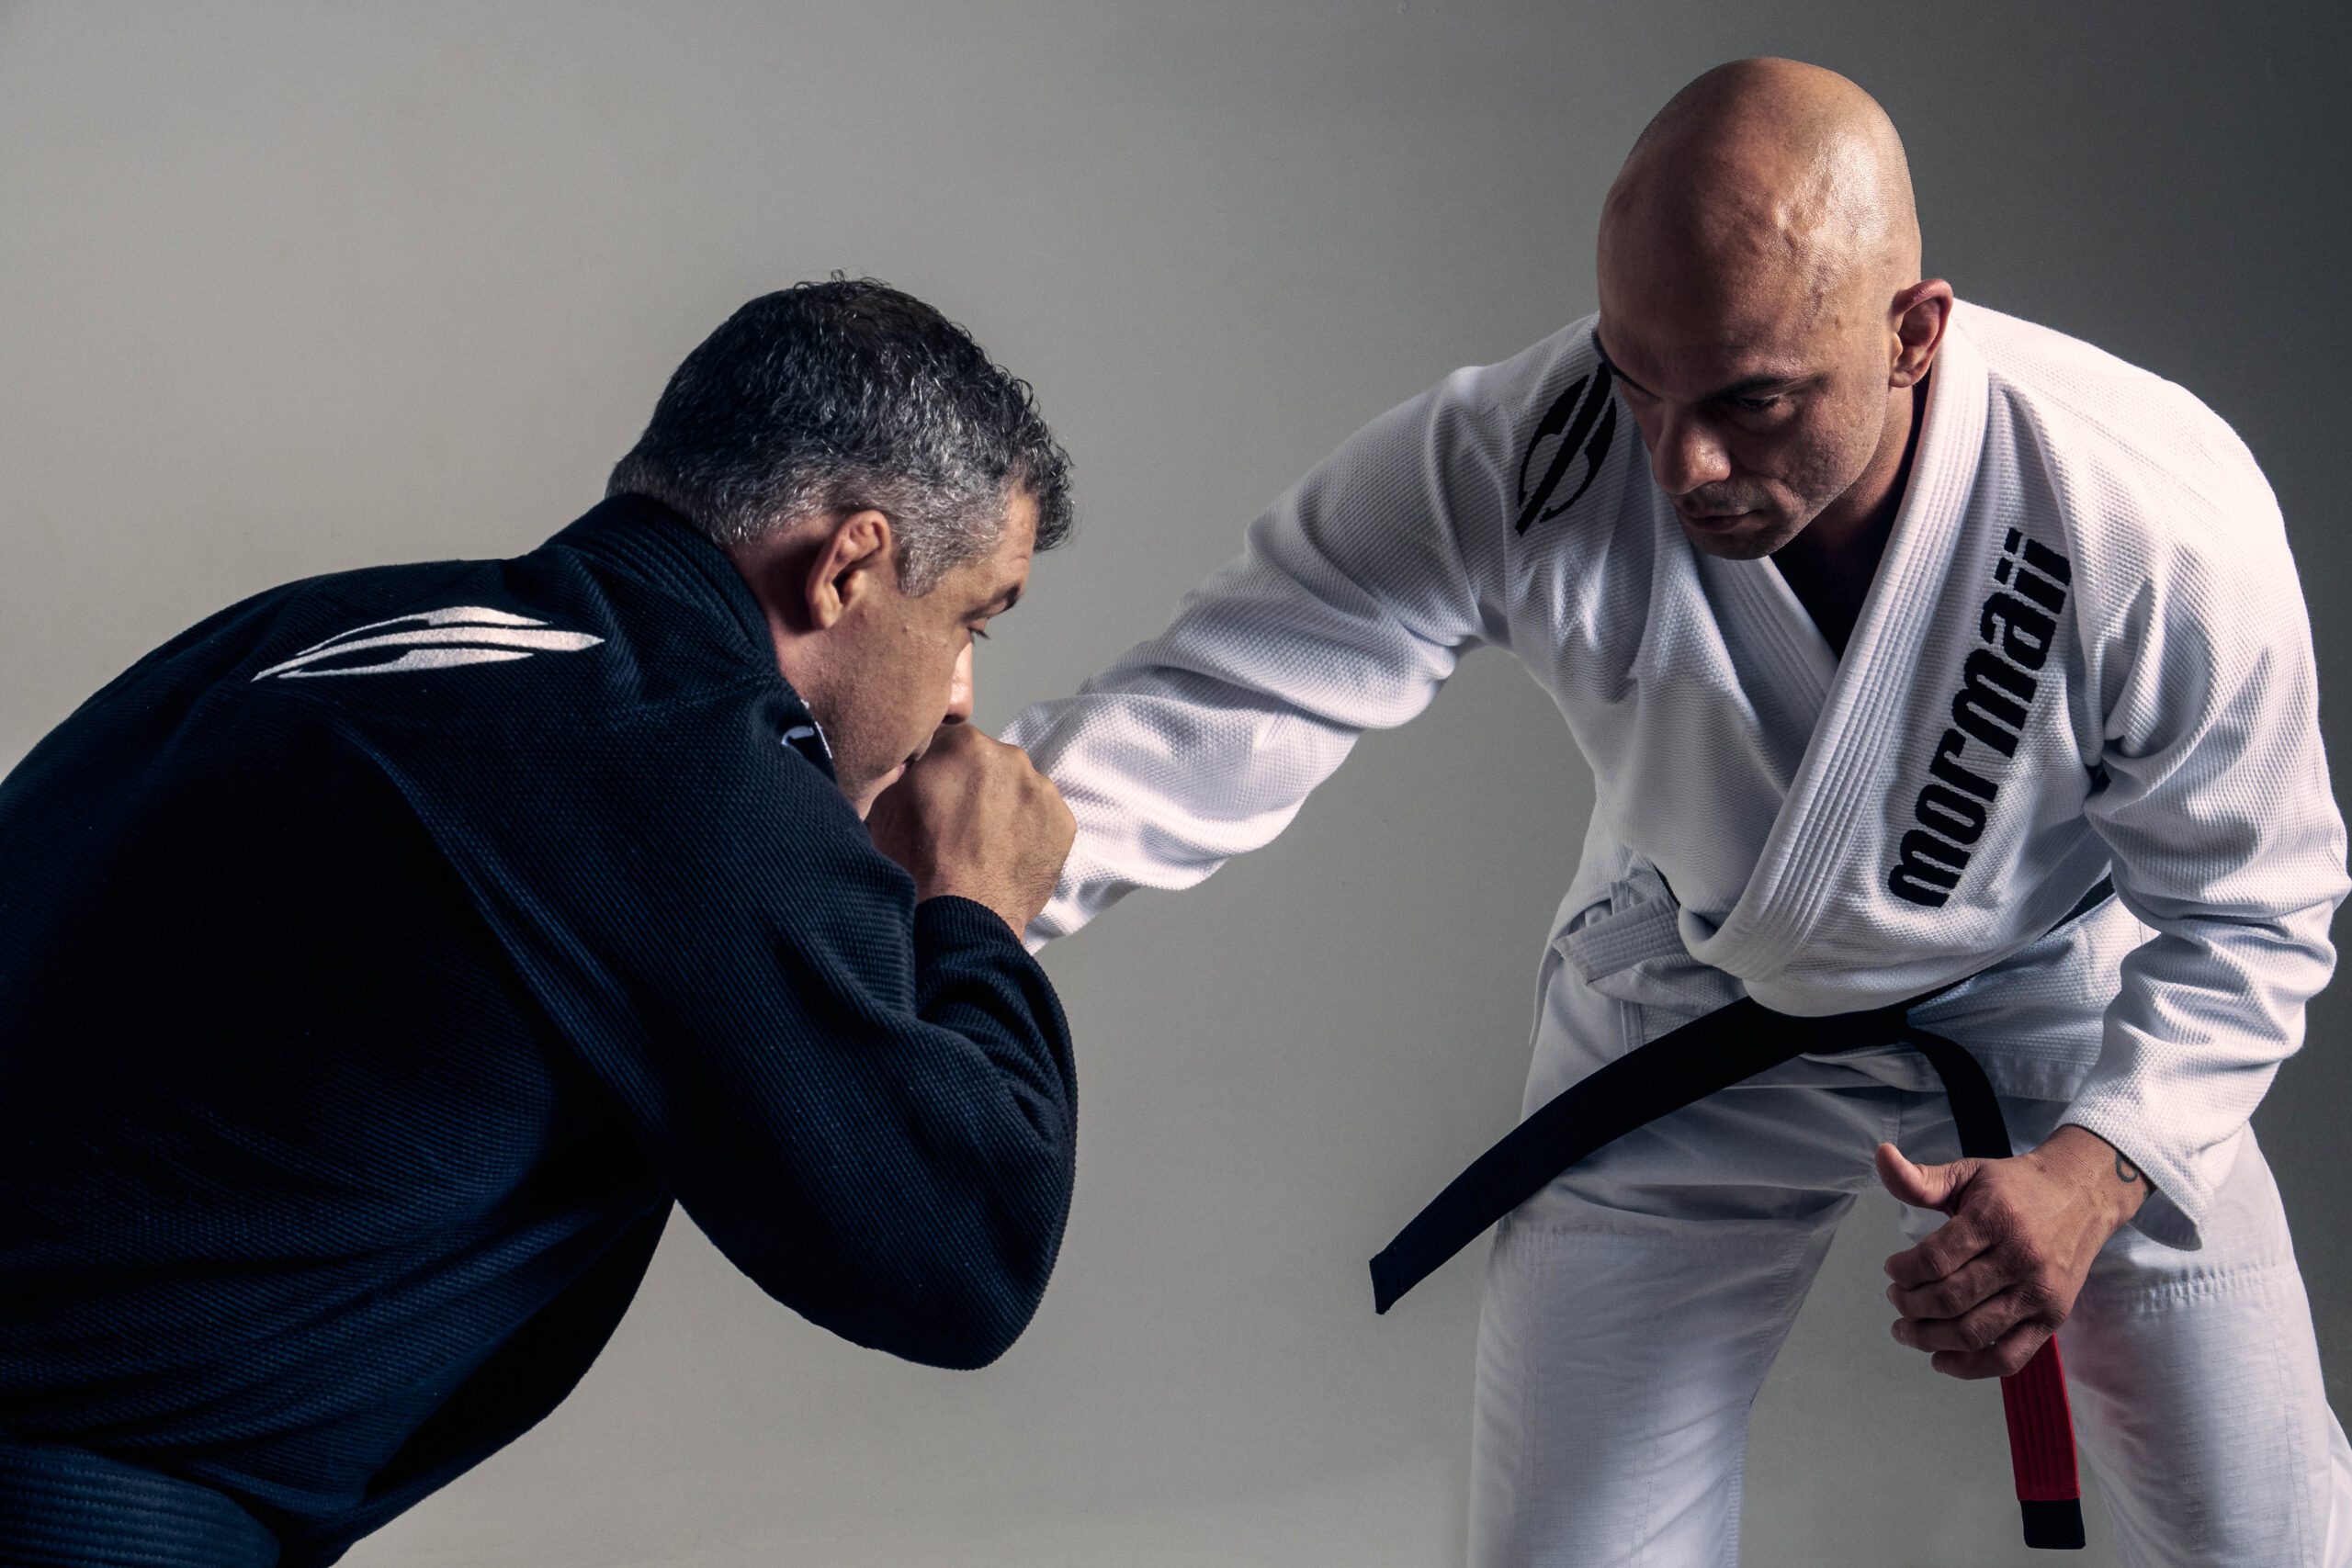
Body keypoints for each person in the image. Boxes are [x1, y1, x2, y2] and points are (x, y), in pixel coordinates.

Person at [1006, 59, 2351, 1563]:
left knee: (2271, 1541)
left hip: (2062, 1022)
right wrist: (927, 898)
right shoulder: (1537, 447)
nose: (1680, 461)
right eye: (1638, 381)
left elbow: (2262, 903)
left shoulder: (2141, 507)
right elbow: (1229, 693)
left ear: (1915, 335)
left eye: (1751, 401)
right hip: (1690, 994)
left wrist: (2098, 1174)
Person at [0, 278, 1081, 1568]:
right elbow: (961, 1248)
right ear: (850, 565)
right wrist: (972, 908)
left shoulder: (303, 636)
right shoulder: (687, 765)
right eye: (969, 616)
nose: (961, 696)